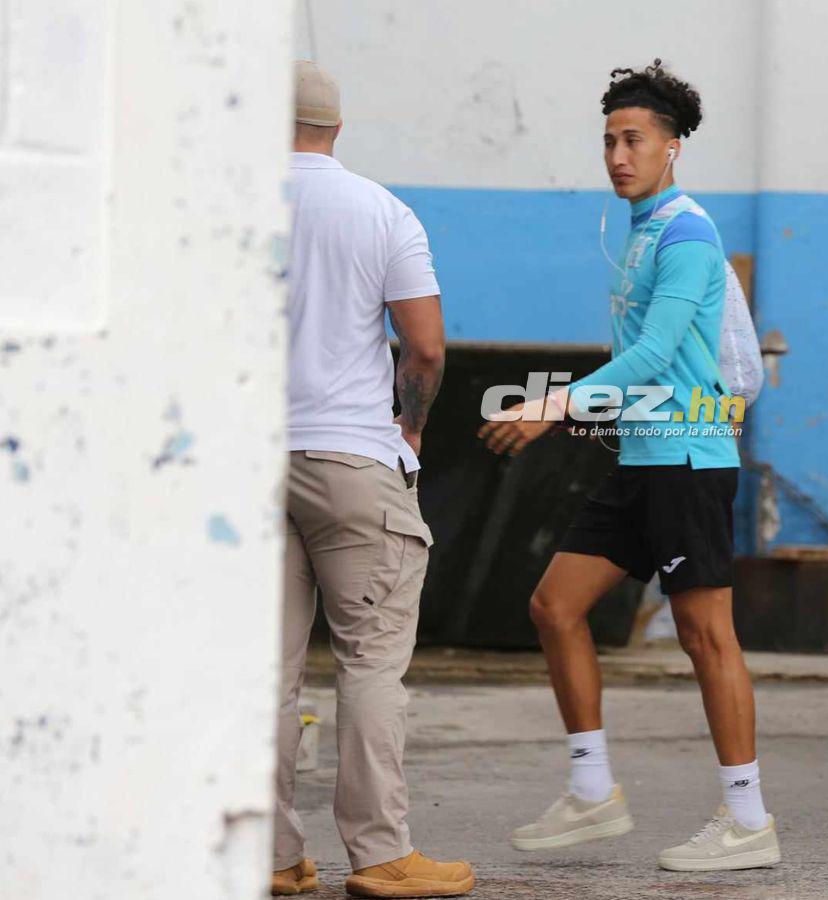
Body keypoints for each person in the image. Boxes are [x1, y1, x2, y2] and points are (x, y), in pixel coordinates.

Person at [478, 60, 781, 873]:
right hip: (644, 456)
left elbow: (650, 356)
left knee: (704, 634)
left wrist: (551, 406)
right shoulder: (640, 231)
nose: (618, 154)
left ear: (672, 147)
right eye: (609, 139)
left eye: (635, 139)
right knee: (554, 606)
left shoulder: (685, 232)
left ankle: (748, 819)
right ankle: (592, 792)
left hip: (689, 455)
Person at [273, 60, 475, 898]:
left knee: (263, 670)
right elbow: (423, 346)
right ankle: (381, 854)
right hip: (355, 460)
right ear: (337, 128)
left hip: (248, 459)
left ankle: (270, 857)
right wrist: (413, 424)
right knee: (369, 663)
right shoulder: (381, 211)